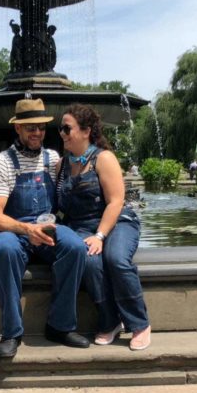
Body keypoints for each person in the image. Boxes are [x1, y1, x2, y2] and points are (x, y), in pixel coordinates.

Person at [0, 98, 90, 359]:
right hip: (15, 231)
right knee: (5, 250)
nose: (37, 133)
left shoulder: (53, 158)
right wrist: (26, 229)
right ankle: (11, 332)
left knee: (75, 247)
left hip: (48, 228)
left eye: (41, 128)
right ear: (17, 129)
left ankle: (60, 326)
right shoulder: (3, 162)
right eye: (30, 127)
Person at [56, 103, 151, 351]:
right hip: (81, 226)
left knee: (116, 258)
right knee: (88, 261)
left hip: (117, 220)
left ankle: (139, 323)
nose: (62, 134)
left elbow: (116, 201)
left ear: (86, 131)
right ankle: (110, 321)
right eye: (61, 129)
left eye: (67, 128)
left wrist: (100, 235)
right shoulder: (61, 165)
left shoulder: (103, 158)